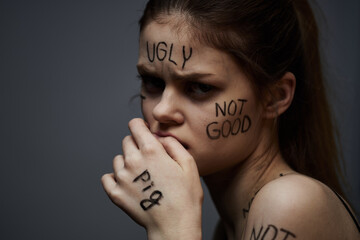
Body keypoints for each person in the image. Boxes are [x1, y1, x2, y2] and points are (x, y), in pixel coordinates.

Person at [101, 0, 360, 239]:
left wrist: (173, 228)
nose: (161, 111)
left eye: (200, 87)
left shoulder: (288, 203)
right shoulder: (228, 229)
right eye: (153, 82)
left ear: (274, 97)